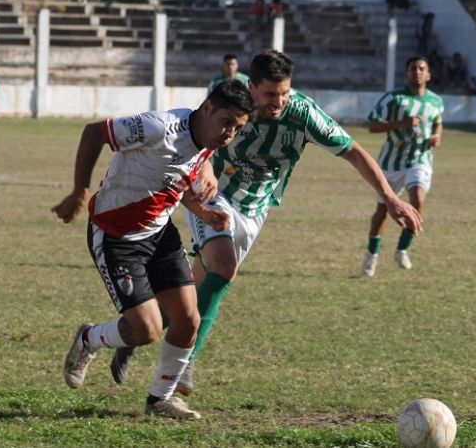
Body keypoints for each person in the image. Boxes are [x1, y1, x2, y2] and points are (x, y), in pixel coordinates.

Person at [110, 50, 422, 396]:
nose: (279, 101)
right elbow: (201, 139)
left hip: (256, 209)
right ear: (252, 87)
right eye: (271, 94)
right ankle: (183, 366)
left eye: (284, 93)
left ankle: (132, 333)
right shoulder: (234, 102)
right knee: (224, 267)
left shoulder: (303, 113)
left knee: (194, 292)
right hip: (215, 196)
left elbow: (353, 151)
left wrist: (391, 198)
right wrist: (207, 171)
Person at [53, 80, 254, 419]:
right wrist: (78, 191)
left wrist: (204, 213)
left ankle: (160, 399)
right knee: (145, 330)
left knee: (188, 320)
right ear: (206, 108)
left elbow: (175, 180)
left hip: (160, 235)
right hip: (116, 237)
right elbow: (94, 132)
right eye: (226, 122)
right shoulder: (159, 127)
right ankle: (89, 338)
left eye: (237, 128)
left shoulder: (206, 139)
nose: (229, 133)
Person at [360, 56, 443, 277]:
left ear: (428, 75)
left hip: (420, 159)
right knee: (382, 211)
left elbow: (437, 121)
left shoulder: (436, 101)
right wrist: (401, 124)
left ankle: (402, 248)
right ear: (407, 74)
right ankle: (372, 255)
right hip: (391, 162)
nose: (417, 72)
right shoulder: (393, 99)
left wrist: (437, 136)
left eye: (421, 68)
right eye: (413, 68)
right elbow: (372, 126)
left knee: (417, 198)